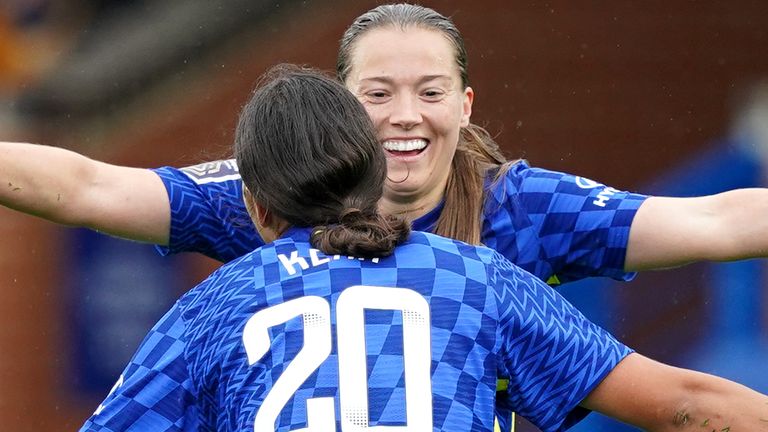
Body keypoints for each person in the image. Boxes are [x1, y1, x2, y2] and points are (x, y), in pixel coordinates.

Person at [2, 2, 767, 430]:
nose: (406, 116)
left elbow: (719, 224)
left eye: (430, 92)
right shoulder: (465, 272)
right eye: (378, 93)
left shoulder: (522, 206)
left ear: (466, 107)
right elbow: (86, 185)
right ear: (336, 107)